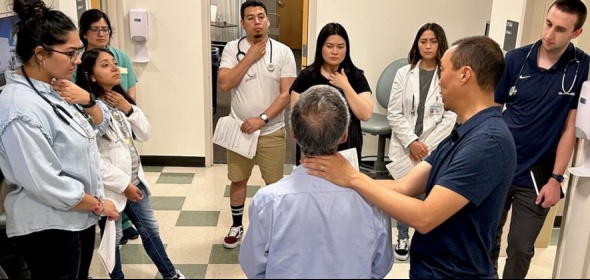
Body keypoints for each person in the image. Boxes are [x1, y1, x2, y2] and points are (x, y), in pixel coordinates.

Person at [302, 36, 516, 279]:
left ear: (465, 75)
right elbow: (404, 185)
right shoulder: (465, 132)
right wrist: (337, 181)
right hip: (431, 268)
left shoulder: (488, 141)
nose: (438, 79)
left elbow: (425, 217)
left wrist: (352, 178)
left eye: (443, 70)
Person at [0, 0, 119, 278]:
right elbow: (44, 181)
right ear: (41, 53)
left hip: (78, 218)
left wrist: (89, 101)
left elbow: (100, 130)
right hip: (49, 227)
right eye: (71, 53)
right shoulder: (18, 107)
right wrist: (99, 204)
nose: (78, 59)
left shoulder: (55, 88)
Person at [239, 85, 393, 278]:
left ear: (293, 134)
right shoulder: (373, 201)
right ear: (344, 136)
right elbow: (381, 266)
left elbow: (253, 266)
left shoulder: (269, 201)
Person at [492, 0, 590, 278]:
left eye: (560, 29)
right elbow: (491, 114)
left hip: (538, 176)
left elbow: (571, 128)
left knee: (521, 248)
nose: (549, 34)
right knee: (487, 240)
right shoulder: (515, 59)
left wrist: (556, 179)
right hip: (500, 166)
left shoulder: (582, 67)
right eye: (548, 24)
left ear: (576, 33)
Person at [75, 48, 185, 279]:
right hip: (111, 189)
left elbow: (144, 133)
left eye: (114, 63)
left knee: (150, 231)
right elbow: (93, 160)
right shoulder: (86, 110)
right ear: (90, 76)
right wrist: (124, 184)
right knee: (111, 240)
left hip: (135, 181)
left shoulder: (118, 100)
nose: (115, 68)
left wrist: (129, 108)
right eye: (105, 65)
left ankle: (170, 274)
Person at [217, 0, 296, 249]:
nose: (257, 22)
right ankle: (237, 225)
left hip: (271, 130)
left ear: (268, 21)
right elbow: (225, 84)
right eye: (250, 18)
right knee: (238, 179)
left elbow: (287, 94)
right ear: (242, 23)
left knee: (274, 184)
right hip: (240, 130)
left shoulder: (283, 52)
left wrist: (261, 119)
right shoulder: (232, 48)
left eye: (261, 16)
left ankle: (275, 231)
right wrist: (249, 58)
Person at [386, 22, 456, 262]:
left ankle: (426, 241)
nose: (428, 46)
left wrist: (426, 146)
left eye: (433, 41)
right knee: (404, 196)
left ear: (440, 44)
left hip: (433, 147)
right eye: (423, 41)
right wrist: (412, 142)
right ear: (417, 44)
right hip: (405, 146)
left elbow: (451, 115)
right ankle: (403, 237)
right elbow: (394, 113)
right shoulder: (403, 73)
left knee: (430, 196)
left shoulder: (449, 74)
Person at [78, 8, 140, 244]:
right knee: (106, 172)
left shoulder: (120, 57)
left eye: (105, 29)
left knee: (127, 168)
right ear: (85, 33)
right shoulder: (81, 61)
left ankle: (124, 218)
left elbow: (131, 85)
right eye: (96, 29)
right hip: (96, 121)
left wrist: (131, 109)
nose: (101, 33)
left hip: (121, 115)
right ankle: (113, 222)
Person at [290, 22, 372, 164]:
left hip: (346, 145)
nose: (335, 51)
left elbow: (365, 114)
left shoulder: (356, 76)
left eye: (340, 47)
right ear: (320, 48)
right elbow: (295, 117)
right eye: (329, 46)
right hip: (311, 147)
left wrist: (345, 86)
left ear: (346, 49)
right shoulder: (307, 76)